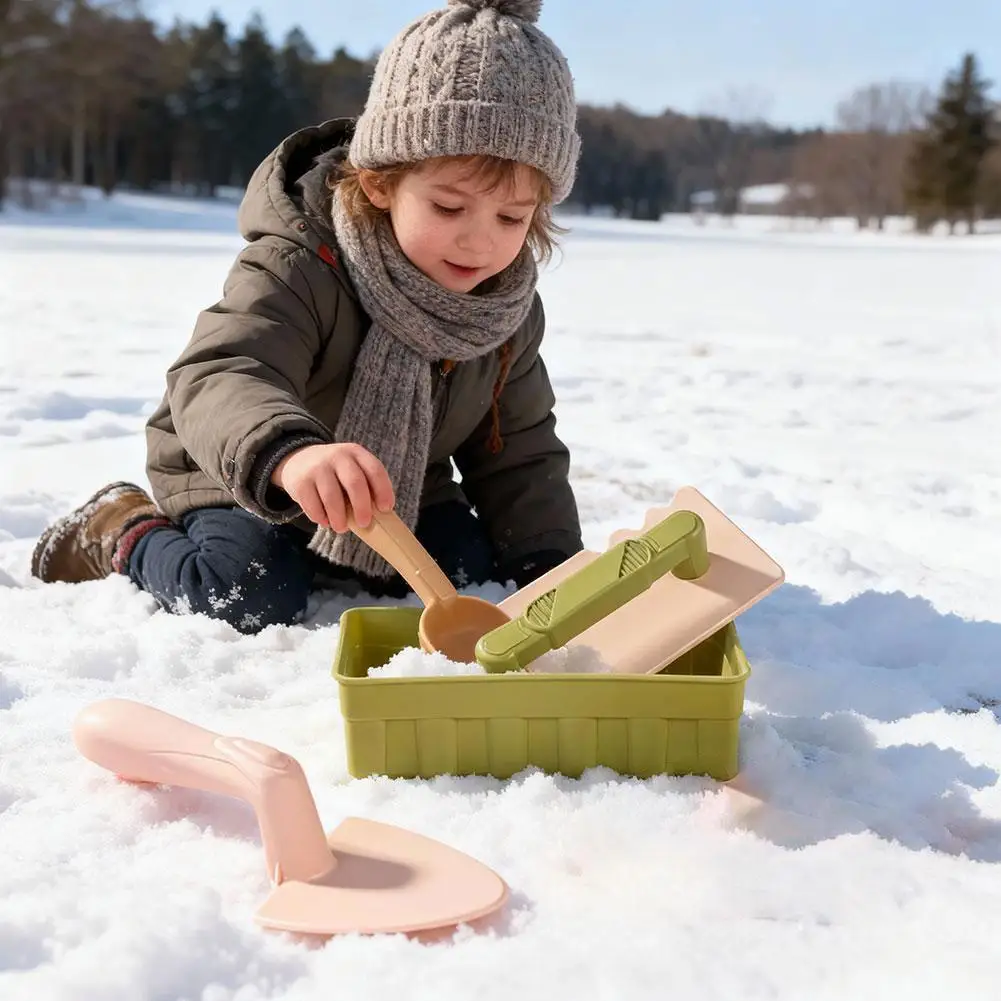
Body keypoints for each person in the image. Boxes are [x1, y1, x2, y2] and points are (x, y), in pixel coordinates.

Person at [31, 0, 583, 634]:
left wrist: (549, 569)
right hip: (246, 468)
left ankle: (343, 556)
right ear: (380, 183)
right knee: (248, 592)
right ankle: (118, 527)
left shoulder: (504, 310)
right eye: (449, 208)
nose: (479, 243)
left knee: (471, 574)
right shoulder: (300, 263)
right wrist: (291, 457)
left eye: (510, 218)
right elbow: (225, 372)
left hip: (392, 489)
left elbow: (518, 450)